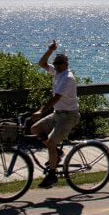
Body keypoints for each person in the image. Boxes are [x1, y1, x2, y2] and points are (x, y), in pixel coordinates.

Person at [31, 40, 80, 188]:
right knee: (35, 129)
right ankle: (57, 153)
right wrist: (50, 50)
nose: (57, 65)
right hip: (58, 114)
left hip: (69, 116)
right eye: (56, 63)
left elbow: (56, 97)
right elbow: (42, 64)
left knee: (51, 142)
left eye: (60, 63)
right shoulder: (57, 72)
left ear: (66, 64)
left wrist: (41, 111)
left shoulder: (68, 78)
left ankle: (52, 175)